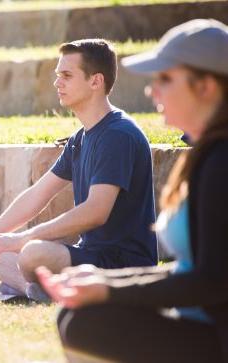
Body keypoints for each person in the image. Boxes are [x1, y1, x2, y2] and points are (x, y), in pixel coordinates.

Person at [38, 19, 228, 362]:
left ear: (207, 87)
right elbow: (193, 270)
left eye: (166, 79)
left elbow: (212, 282)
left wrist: (109, 288)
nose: (151, 91)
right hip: (205, 327)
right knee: (75, 316)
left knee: (86, 325)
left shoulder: (221, 162)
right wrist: (105, 282)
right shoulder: (209, 153)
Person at [0, 39, 158, 301]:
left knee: (32, 253)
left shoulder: (118, 134)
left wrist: (23, 238)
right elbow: (34, 197)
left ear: (96, 81)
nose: (57, 82)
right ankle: (35, 291)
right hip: (90, 256)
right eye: (57, 75)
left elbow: (96, 212)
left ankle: (40, 289)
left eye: (67, 75)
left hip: (125, 264)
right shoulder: (80, 139)